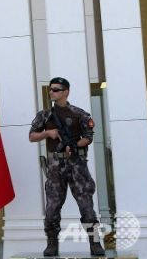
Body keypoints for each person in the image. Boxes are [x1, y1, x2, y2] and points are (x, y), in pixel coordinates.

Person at [29, 77, 105, 257]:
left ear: (65, 92)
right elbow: (32, 136)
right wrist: (48, 132)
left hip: (77, 165)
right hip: (56, 164)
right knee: (52, 207)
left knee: (86, 206)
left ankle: (95, 243)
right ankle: (52, 243)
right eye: (50, 89)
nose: (51, 92)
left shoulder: (80, 114)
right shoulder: (45, 115)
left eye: (56, 89)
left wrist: (76, 145)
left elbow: (89, 136)